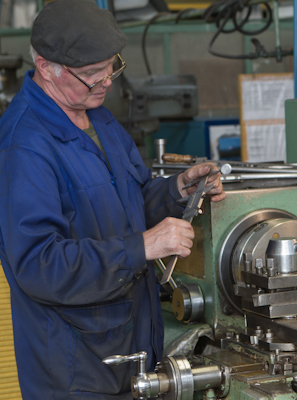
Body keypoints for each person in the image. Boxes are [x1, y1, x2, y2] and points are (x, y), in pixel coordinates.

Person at [0, 1, 225, 398]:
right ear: (45, 66)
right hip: (75, 368)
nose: (106, 81)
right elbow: (39, 266)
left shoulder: (97, 116)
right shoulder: (24, 146)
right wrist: (141, 247)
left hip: (131, 345)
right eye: (91, 74)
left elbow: (131, 200)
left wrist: (177, 191)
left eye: (111, 67)